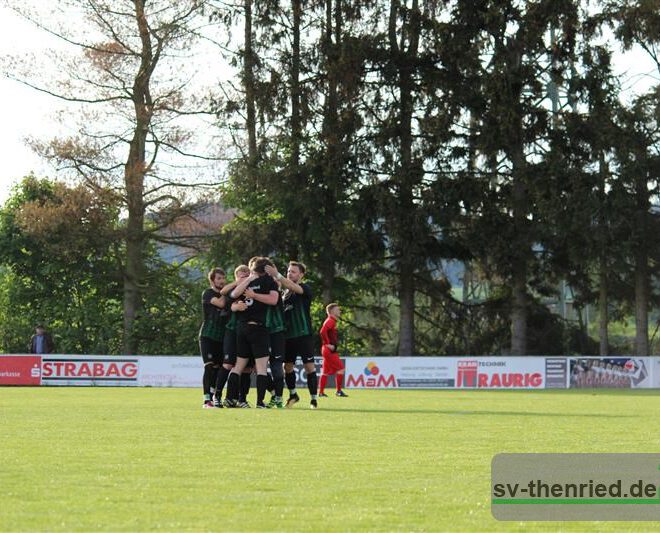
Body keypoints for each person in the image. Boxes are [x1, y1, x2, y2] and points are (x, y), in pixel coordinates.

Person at [224, 257, 279, 408]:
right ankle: (260, 402)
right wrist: (255, 295)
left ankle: (229, 399)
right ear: (266, 269)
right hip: (258, 328)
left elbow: (233, 294)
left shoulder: (247, 280)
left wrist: (247, 281)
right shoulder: (269, 281)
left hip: (242, 328)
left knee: (239, 366)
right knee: (261, 368)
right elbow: (274, 300)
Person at [266, 261, 318, 409]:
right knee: (287, 367)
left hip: (303, 334)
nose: (290, 273)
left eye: (293, 271)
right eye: (288, 271)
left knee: (309, 367)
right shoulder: (284, 295)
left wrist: (276, 274)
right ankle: (293, 394)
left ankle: (314, 400)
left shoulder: (304, 288)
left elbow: (292, 286)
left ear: (301, 274)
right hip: (288, 337)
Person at [214, 265, 252, 407]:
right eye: (242, 275)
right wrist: (238, 283)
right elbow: (224, 294)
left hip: (248, 332)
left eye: (247, 275)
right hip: (232, 330)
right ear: (236, 276)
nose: (245, 278)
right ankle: (217, 396)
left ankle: (242, 399)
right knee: (228, 364)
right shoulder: (231, 290)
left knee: (247, 368)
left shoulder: (252, 290)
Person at [199, 268, 229, 408]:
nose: (222, 281)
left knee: (218, 369)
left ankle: (212, 397)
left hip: (221, 337)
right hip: (207, 336)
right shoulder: (208, 293)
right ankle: (206, 400)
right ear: (212, 280)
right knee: (209, 367)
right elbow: (221, 304)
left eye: (223, 278)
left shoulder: (229, 295)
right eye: (219, 278)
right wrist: (227, 290)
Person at [318, 303, 348, 398]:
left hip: (326, 350)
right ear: (332, 311)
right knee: (341, 369)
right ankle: (338, 391)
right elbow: (322, 331)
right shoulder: (330, 321)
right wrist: (327, 343)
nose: (339, 311)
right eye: (337, 309)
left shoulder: (332, 321)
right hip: (328, 350)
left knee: (325, 372)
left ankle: (321, 393)